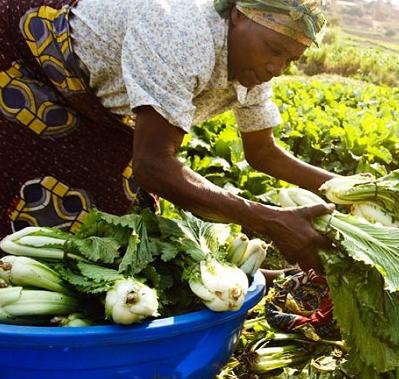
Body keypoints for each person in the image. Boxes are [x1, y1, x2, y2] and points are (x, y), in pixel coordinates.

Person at [0, 0, 336, 271]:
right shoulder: (183, 33)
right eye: (273, 49)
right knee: (31, 213)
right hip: (28, 61)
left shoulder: (253, 70)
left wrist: (347, 192)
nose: (276, 67)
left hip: (96, 108)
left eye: (290, 60)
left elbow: (263, 152)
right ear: (237, 16)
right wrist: (269, 221)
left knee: (111, 227)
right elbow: (154, 166)